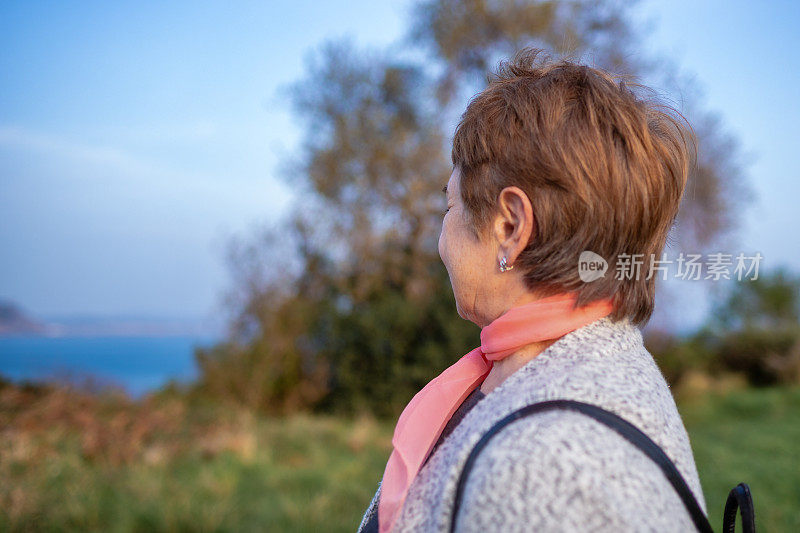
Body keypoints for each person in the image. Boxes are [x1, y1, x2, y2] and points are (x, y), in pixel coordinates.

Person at [357, 47, 704, 532]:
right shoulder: (595, 361)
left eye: (449, 208)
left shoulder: (546, 469)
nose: (441, 242)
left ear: (510, 226)